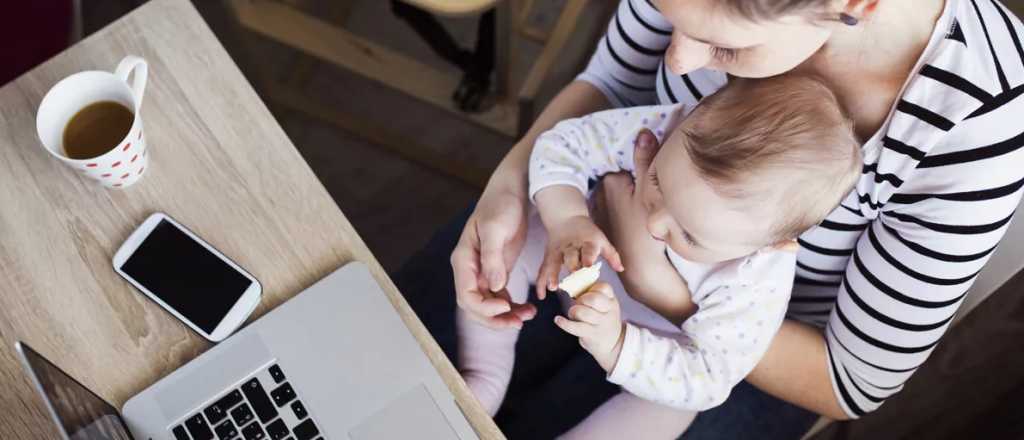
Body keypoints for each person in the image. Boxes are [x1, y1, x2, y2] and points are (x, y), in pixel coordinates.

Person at [402, 0, 1024, 437]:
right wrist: (511, 183)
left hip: (750, 343)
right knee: (398, 360)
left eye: (724, 46)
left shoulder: (983, 117)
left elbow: (849, 382)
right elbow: (613, 83)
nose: (677, 64)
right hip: (594, 207)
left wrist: (664, 291)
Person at [456, 74, 861, 439]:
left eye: (688, 234)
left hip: (661, 338)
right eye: (657, 181)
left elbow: (708, 374)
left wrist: (619, 344)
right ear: (690, 116)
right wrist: (568, 218)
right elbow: (563, 144)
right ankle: (482, 376)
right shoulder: (670, 128)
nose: (654, 224)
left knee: (674, 406)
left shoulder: (758, 280)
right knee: (512, 243)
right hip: (582, 248)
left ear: (772, 245)